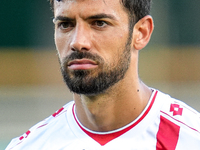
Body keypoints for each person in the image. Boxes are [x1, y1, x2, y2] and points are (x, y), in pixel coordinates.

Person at [6, 0, 200, 149]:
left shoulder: (191, 139)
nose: (78, 42)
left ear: (141, 32)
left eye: (99, 23)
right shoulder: (29, 146)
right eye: (66, 24)